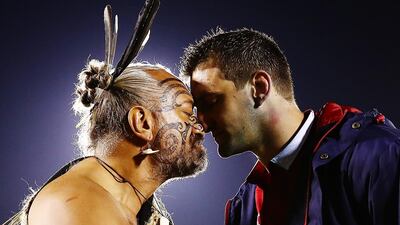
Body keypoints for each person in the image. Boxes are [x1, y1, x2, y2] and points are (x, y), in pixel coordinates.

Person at [3, 1, 207, 225]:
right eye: (187, 112)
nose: (200, 125)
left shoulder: (122, 204)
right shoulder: (76, 205)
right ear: (142, 123)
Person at [180, 28, 400, 225]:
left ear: (259, 87)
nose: (203, 123)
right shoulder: (243, 208)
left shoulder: (375, 155)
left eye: (210, 102)